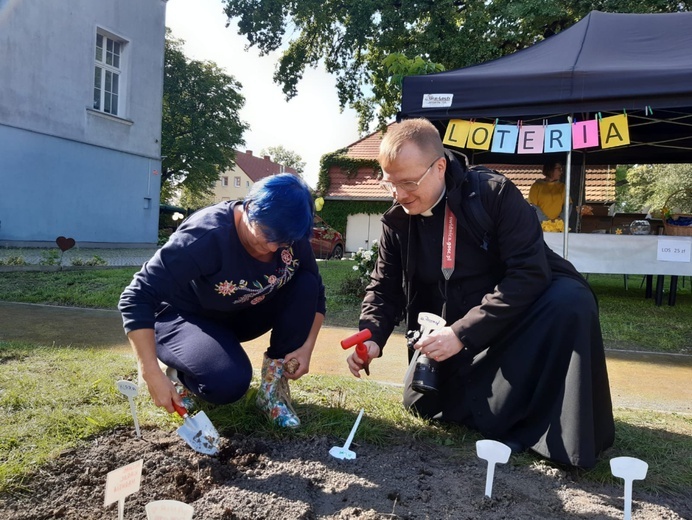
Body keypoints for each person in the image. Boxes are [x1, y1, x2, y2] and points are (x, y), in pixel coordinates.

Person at [346, 118, 614, 468]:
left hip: (513, 317)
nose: (399, 194)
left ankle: (552, 432)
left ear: (439, 167)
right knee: (420, 402)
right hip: (447, 331)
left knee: (570, 303)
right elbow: (384, 288)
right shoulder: (398, 221)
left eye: (409, 183)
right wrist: (372, 336)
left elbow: (529, 274)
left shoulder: (492, 193)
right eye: (390, 184)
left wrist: (462, 333)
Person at [119, 173, 325, 428]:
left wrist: (306, 348)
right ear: (250, 208)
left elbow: (316, 296)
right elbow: (136, 295)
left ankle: (272, 392)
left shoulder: (289, 236)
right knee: (228, 383)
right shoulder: (205, 235)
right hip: (184, 318)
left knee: (306, 284)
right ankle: (181, 375)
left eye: (283, 242)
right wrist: (149, 372)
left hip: (238, 313)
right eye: (266, 235)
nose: (274, 248)